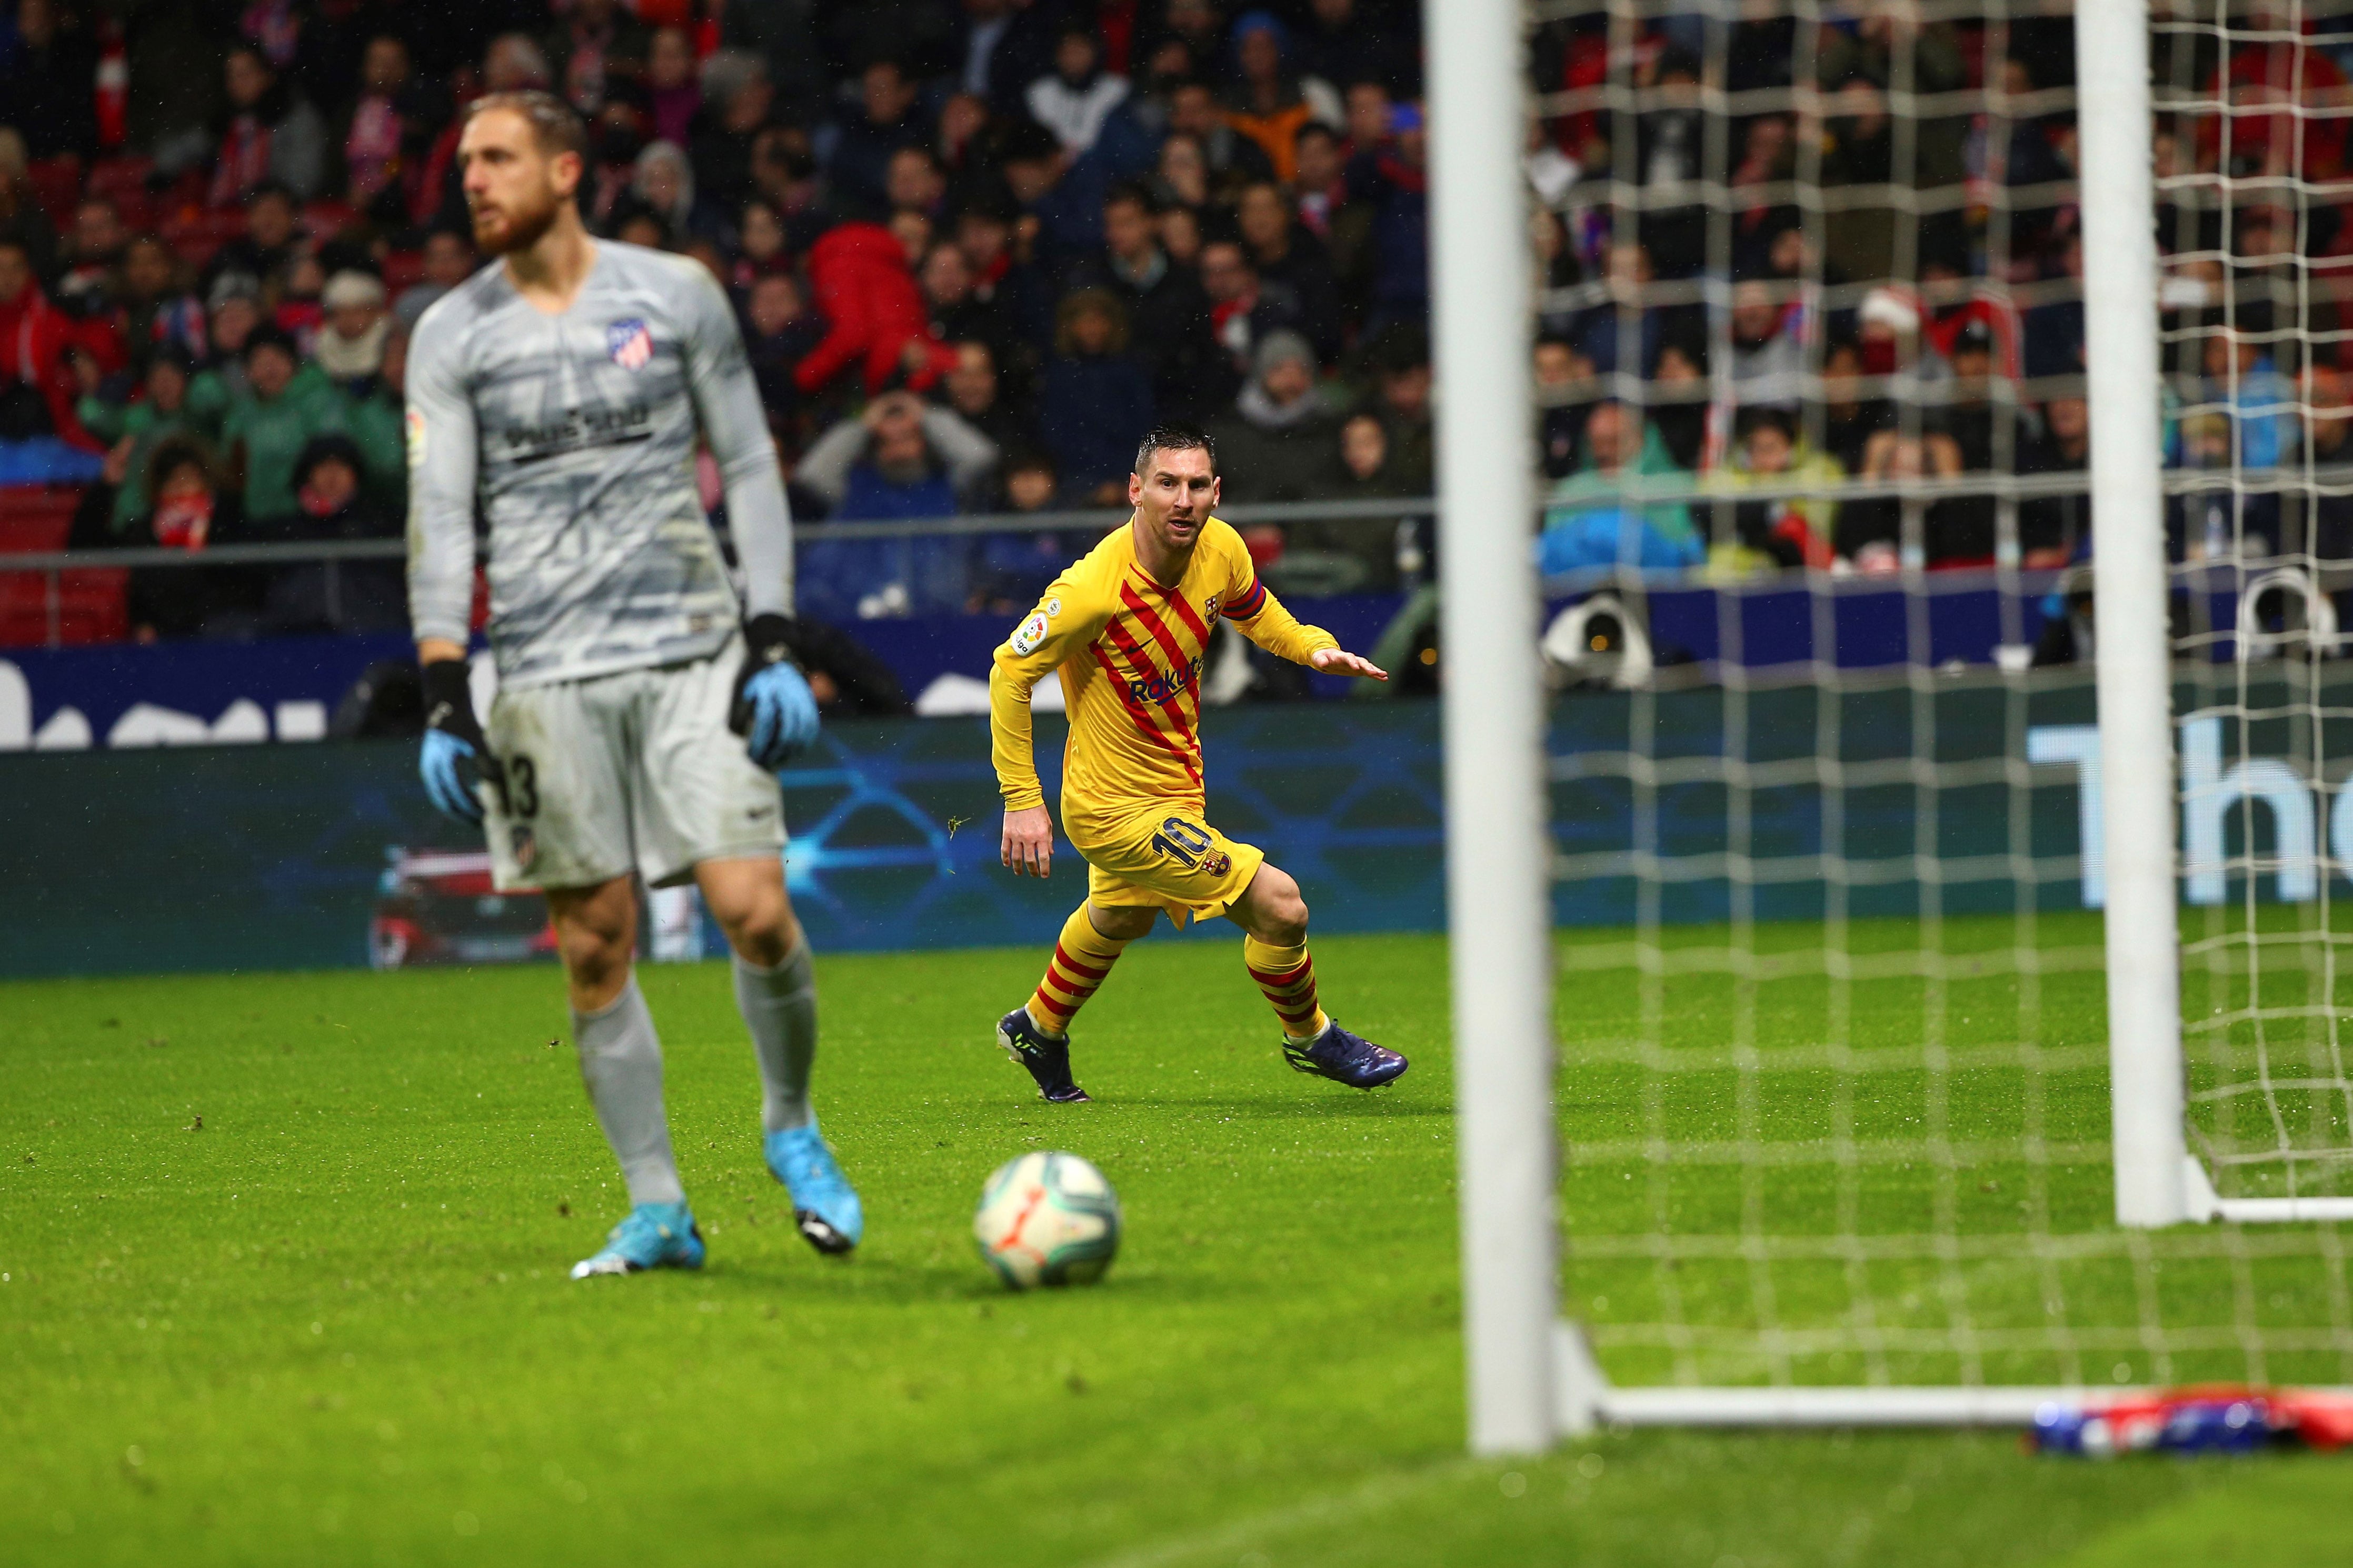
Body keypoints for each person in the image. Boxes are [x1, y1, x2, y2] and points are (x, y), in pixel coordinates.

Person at [404, 89, 857, 1281]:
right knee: (594, 946)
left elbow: (749, 462)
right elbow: (440, 517)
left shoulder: (675, 292)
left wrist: (771, 635)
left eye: (498, 158)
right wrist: (445, 686)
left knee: (755, 908)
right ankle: (658, 1208)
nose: (472, 179)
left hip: (692, 651)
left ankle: (791, 1124)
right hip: (542, 674)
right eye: (465, 162)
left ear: (566, 170)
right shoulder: (449, 333)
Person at [988, 424, 1408, 1103]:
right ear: (1136, 490)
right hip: (1109, 809)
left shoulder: (1221, 548)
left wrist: (1312, 648)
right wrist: (1021, 798)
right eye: (1166, 484)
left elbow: (1258, 614)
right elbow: (1009, 672)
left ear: (1216, 493)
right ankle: (1313, 1039)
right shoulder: (1091, 590)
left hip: (1175, 789)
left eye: (1195, 485)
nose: (1182, 500)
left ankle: (1037, 1027)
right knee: (1280, 906)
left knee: (1121, 916)